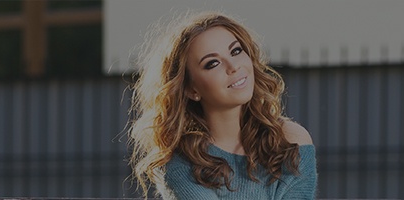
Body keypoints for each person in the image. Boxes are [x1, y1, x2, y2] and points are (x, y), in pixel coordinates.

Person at [127, 11, 317, 199]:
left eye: (236, 51)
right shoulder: (180, 165)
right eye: (212, 63)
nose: (233, 66)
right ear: (191, 90)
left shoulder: (291, 141)